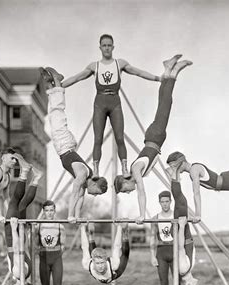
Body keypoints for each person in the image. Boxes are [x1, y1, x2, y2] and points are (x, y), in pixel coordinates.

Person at [62, 34, 162, 179]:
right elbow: (76, 78)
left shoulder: (119, 64)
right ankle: (96, 170)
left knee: (120, 138)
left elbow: (138, 72)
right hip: (100, 104)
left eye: (109, 45)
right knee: (98, 139)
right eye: (104, 45)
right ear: (100, 47)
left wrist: (158, 78)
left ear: (113, 47)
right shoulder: (94, 66)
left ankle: (124, 168)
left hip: (115, 103)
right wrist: (59, 86)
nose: (107, 48)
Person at [113, 55, 192, 222]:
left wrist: (142, 214)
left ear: (125, 181)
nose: (128, 192)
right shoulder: (136, 171)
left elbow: (141, 192)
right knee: (164, 103)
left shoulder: (135, 171)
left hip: (154, 136)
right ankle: (169, 71)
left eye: (125, 190)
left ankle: (172, 71)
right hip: (155, 137)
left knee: (166, 104)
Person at [40, 67, 108, 222]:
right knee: (57, 113)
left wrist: (77, 216)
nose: (94, 195)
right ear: (94, 183)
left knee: (54, 116)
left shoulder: (85, 181)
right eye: (96, 192)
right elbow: (74, 193)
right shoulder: (83, 175)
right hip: (65, 145)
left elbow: (80, 199)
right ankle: (57, 80)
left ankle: (52, 86)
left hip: (66, 146)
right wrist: (70, 215)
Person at [150, 187, 197, 285]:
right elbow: (152, 238)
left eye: (167, 201)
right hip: (161, 252)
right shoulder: (155, 218)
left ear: (170, 201)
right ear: (159, 203)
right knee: (163, 282)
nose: (164, 204)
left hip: (175, 251)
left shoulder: (175, 217)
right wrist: (152, 256)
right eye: (162, 202)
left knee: (178, 282)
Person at [5, 153, 41, 285]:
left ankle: (37, 178)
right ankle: (25, 171)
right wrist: (13, 229)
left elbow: (23, 249)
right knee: (14, 202)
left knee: (22, 204)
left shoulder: (26, 273)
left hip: (20, 236)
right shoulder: (20, 273)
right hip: (12, 236)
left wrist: (22, 232)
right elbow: (17, 249)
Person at [35, 201, 67, 285]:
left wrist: (56, 253)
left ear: (54, 211)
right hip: (44, 258)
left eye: (51, 210)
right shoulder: (39, 225)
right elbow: (35, 242)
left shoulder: (60, 225)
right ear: (43, 211)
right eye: (47, 210)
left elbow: (63, 244)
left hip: (56, 257)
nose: (49, 213)